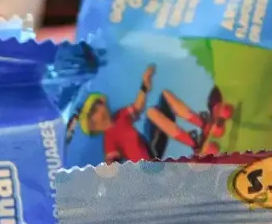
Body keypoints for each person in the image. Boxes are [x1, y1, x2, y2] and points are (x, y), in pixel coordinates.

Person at [76, 64, 222, 162]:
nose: (101, 106)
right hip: (148, 163)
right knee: (152, 112)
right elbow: (112, 162)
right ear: (93, 125)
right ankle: (195, 144)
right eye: (95, 109)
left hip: (149, 143)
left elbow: (138, 107)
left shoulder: (120, 115)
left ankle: (203, 124)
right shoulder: (109, 139)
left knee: (164, 96)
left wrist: (145, 84)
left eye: (98, 104)